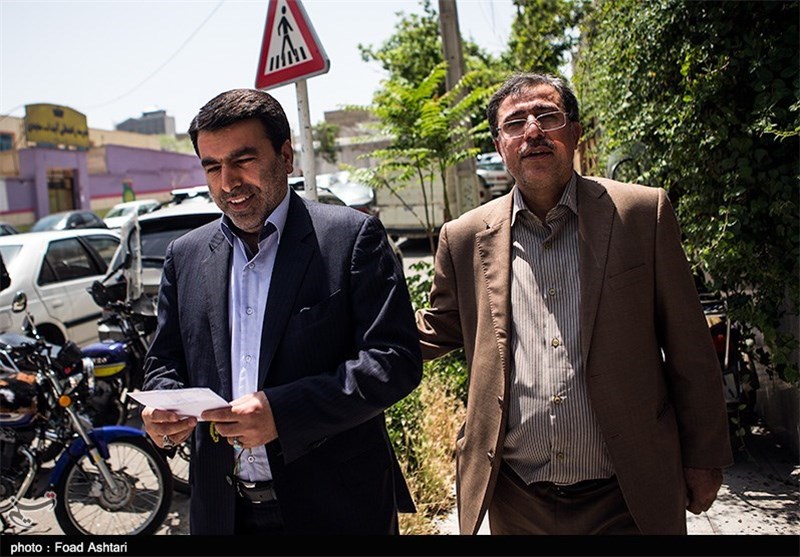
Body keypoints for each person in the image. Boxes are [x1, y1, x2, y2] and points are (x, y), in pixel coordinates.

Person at [415, 72, 733, 535]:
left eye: (548, 116)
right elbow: (438, 327)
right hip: (517, 496)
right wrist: (347, 335)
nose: (532, 131)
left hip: (626, 492)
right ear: (499, 145)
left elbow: (689, 345)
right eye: (515, 123)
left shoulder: (641, 214)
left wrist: (705, 457)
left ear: (576, 132)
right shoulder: (464, 237)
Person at [140, 88, 422, 535]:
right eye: (212, 166)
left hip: (336, 509)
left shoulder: (350, 238)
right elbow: (164, 361)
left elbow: (394, 361)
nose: (227, 182)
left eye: (243, 160)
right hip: (223, 514)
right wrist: (164, 407)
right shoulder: (185, 255)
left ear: (286, 156)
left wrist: (284, 413)